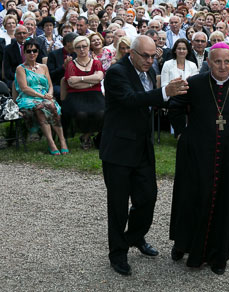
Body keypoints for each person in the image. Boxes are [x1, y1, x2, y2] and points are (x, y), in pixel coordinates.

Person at [168, 42, 229, 275]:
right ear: (209, 62)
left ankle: (218, 255)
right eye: (218, 61)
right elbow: (174, 106)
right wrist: (183, 132)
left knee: (226, 203)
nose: (223, 66)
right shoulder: (194, 83)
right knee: (193, 199)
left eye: (227, 61)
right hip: (198, 153)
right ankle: (185, 244)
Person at [99, 35, 188, 276]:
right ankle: (117, 253)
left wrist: (182, 100)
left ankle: (134, 237)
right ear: (132, 53)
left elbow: (150, 103)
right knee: (117, 206)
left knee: (148, 198)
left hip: (142, 148)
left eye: (153, 56)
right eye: (146, 56)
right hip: (118, 150)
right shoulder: (117, 73)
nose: (150, 60)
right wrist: (163, 93)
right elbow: (130, 100)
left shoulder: (147, 72)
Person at [15, 39, 68, 155]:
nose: (32, 53)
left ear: (38, 52)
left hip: (45, 97)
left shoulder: (44, 67)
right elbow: (24, 88)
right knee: (42, 107)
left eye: (34, 50)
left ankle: (62, 140)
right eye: (29, 51)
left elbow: (50, 85)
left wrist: (50, 94)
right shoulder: (20, 68)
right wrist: (42, 96)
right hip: (27, 98)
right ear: (24, 53)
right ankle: (51, 142)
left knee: (48, 107)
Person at [63, 36, 105, 150]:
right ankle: (87, 138)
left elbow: (99, 77)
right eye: (78, 47)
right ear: (74, 50)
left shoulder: (96, 63)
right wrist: (91, 81)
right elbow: (71, 83)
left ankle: (86, 136)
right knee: (82, 114)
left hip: (95, 95)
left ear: (88, 47)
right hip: (76, 95)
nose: (82, 49)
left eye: (84, 46)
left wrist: (80, 79)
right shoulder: (71, 64)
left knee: (102, 113)